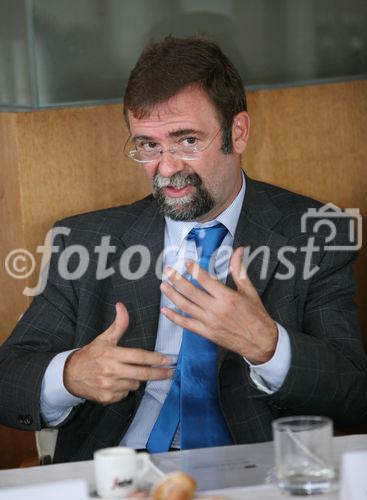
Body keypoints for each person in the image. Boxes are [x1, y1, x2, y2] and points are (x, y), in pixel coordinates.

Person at [0, 36, 366, 463]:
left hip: (257, 472)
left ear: (238, 132)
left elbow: (354, 393)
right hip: (124, 473)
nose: (167, 167)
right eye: (148, 146)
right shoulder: (83, 241)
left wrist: (268, 346)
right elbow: (8, 383)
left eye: (187, 140)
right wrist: (69, 376)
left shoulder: (315, 234)